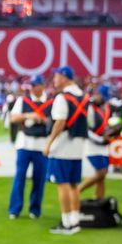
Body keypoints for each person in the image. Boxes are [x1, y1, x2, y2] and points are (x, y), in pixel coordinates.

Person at [43, 65, 88, 235]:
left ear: (64, 77)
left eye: (56, 76)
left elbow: (60, 122)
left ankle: (66, 222)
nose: (54, 79)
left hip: (63, 147)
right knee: (74, 185)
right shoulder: (83, 97)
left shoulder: (62, 98)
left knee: (63, 185)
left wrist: (49, 143)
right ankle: (75, 221)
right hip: (77, 147)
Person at [8, 74, 51, 219]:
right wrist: (28, 116)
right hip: (24, 143)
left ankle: (35, 209)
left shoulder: (50, 102)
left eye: (35, 85)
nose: (33, 88)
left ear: (42, 86)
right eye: (31, 86)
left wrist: (45, 121)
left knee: (39, 179)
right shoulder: (23, 100)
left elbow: (55, 121)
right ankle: (15, 209)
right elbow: (13, 118)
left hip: (41, 145)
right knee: (19, 177)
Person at [79, 85, 113, 200]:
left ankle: (99, 202)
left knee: (102, 177)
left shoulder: (106, 108)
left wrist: (110, 133)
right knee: (101, 172)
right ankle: (78, 190)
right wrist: (101, 139)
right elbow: (86, 129)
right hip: (92, 145)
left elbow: (106, 125)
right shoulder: (89, 107)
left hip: (103, 145)